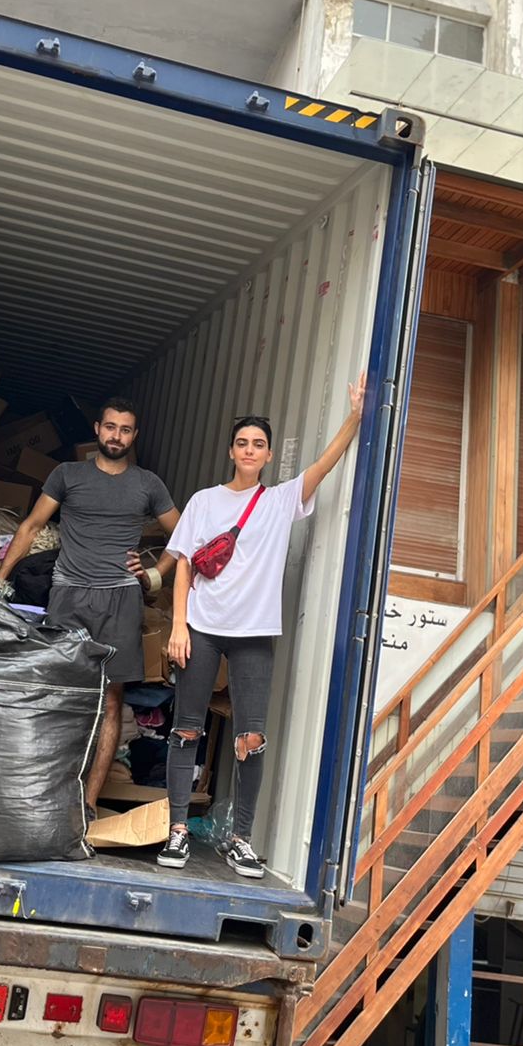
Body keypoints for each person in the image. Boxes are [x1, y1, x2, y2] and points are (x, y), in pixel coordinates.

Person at [158, 376, 366, 879]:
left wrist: (356, 416)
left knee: (251, 737)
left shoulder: (279, 500)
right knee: (187, 730)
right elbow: (183, 564)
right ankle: (178, 831)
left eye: (259, 444)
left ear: (269, 455)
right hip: (202, 628)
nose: (250, 450)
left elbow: (324, 464)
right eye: (242, 443)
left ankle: (241, 839)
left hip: (254, 633)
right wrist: (178, 626)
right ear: (231, 450)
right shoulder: (205, 501)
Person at [0, 398, 180, 815]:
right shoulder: (67, 474)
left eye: (125, 429)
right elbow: (31, 526)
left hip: (120, 599)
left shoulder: (148, 484)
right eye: (110, 427)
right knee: (58, 693)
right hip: (69, 594)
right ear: (97, 429)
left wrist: (153, 572)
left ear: (134, 436)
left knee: (111, 700)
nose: (116, 436)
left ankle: (87, 804)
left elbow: (183, 534)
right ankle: (40, 791)